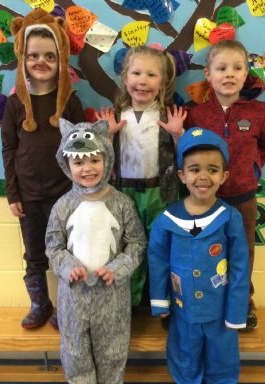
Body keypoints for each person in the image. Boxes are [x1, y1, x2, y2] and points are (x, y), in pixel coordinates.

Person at [45, 119, 147, 384]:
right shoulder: (62, 206)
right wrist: (68, 267)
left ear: (107, 160)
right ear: (67, 165)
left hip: (112, 294)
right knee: (75, 350)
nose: (87, 168)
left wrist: (118, 268)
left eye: (94, 160)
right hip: (73, 296)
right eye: (78, 162)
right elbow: (53, 246)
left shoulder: (122, 203)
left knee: (113, 350)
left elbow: (137, 243)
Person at [148, 127, 250, 384]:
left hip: (220, 311)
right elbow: (157, 261)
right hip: (183, 313)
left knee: (222, 358)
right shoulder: (167, 219)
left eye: (212, 170)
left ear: (224, 176)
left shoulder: (229, 217)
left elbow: (239, 267)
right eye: (194, 169)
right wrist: (160, 302)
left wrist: (236, 312)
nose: (203, 176)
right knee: (184, 357)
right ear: (182, 175)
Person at [1, 8, 86, 329]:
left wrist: (82, 192)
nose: (41, 61)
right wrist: (13, 194)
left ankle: (67, 306)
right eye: (33, 55)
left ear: (61, 59)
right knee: (34, 255)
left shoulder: (71, 102)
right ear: (22, 58)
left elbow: (83, 148)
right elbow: (8, 150)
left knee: (68, 254)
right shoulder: (14, 105)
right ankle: (40, 304)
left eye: (50, 56)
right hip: (29, 197)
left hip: (66, 195)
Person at [184, 39, 265, 331]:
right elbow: (186, 152)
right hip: (203, 200)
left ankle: (243, 305)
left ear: (246, 73)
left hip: (243, 197)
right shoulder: (195, 114)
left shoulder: (259, 112)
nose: (229, 74)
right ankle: (205, 303)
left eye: (237, 68)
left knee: (242, 253)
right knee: (203, 252)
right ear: (208, 74)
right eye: (221, 68)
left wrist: (252, 169)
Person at [96, 45, 186, 307]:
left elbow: (186, 159)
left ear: (163, 82)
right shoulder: (115, 116)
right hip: (124, 194)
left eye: (151, 75)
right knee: (128, 248)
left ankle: (162, 302)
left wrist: (178, 135)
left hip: (160, 194)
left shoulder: (168, 116)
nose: (143, 81)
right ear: (125, 78)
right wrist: (107, 136)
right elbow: (98, 161)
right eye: (136, 73)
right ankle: (130, 303)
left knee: (160, 247)